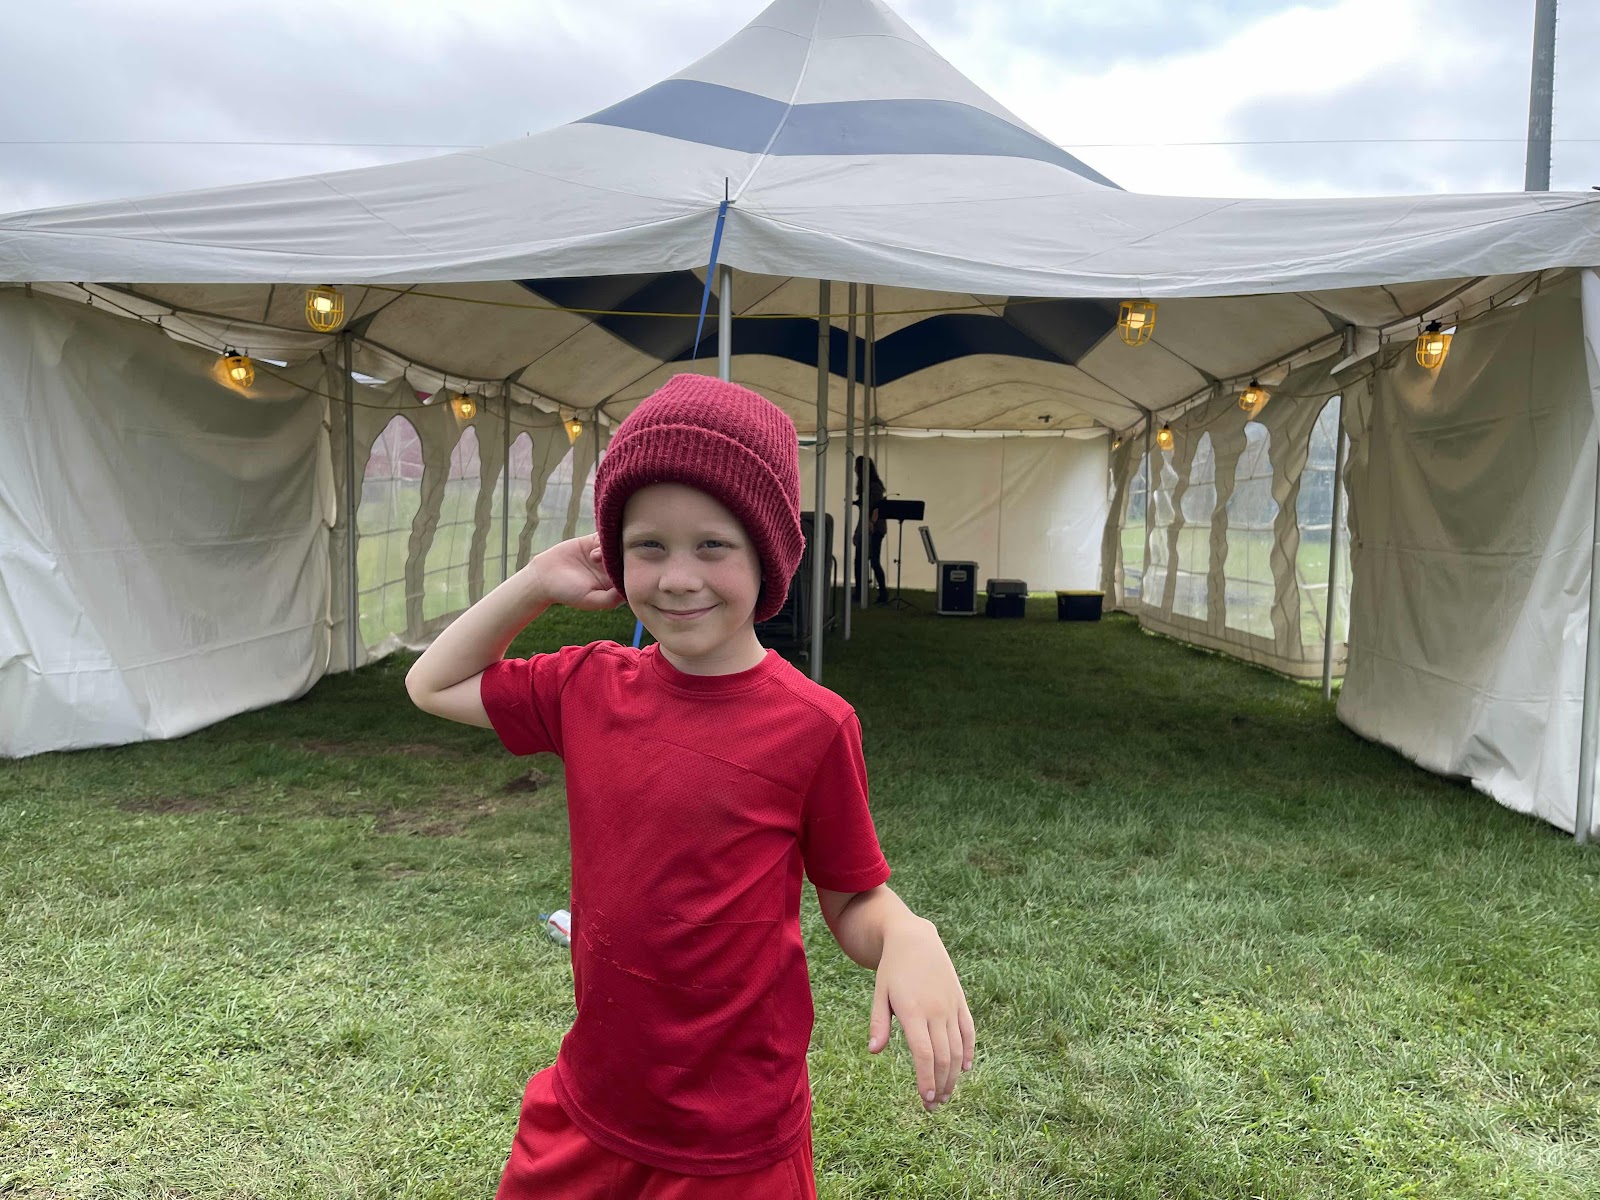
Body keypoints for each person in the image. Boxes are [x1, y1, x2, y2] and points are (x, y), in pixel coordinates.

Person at [405, 374, 975, 1198]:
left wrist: (906, 933)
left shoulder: (815, 725)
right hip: (590, 1105)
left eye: (712, 545)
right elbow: (433, 683)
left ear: (768, 554)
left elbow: (853, 899)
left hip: (732, 1141)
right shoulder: (587, 685)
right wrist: (536, 580)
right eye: (648, 546)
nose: (677, 577)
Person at [853, 454, 889, 605]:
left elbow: (876, 507)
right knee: (860, 561)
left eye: (857, 467)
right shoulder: (868, 486)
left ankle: (882, 593)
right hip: (867, 526)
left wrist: (871, 522)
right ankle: (860, 592)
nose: (855, 469)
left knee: (873, 561)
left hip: (875, 528)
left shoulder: (874, 486)